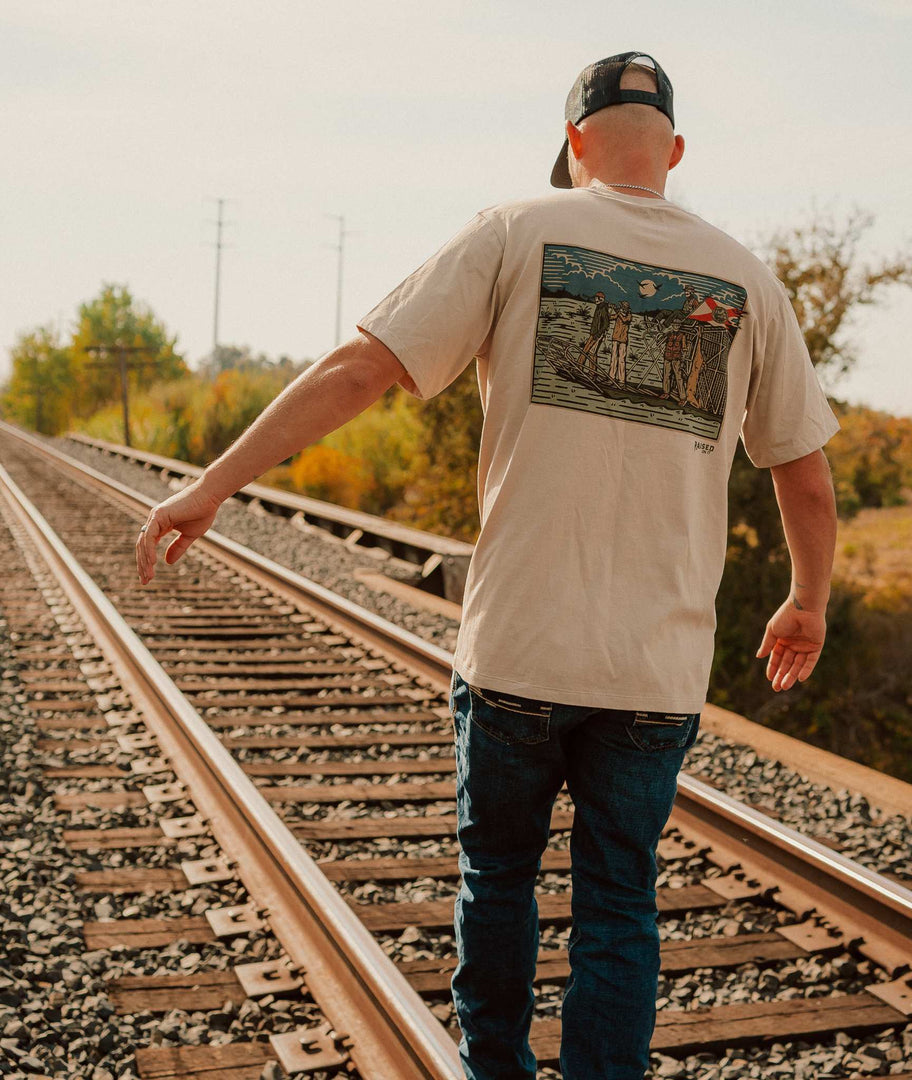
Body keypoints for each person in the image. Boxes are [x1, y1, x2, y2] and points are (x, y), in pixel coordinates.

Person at [134, 50, 839, 1080]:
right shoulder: (748, 279)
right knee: (619, 900)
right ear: (676, 151)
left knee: (498, 878)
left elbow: (362, 368)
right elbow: (806, 477)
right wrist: (807, 600)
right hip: (655, 672)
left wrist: (214, 484)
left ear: (575, 143)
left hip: (515, 652)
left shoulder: (516, 230)